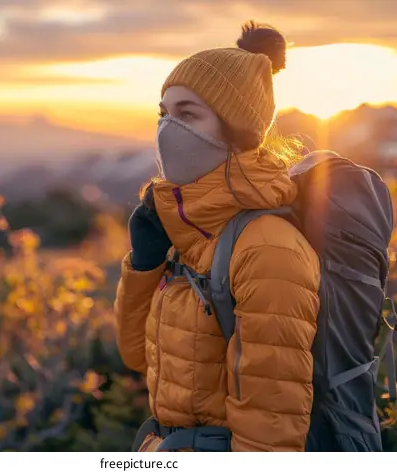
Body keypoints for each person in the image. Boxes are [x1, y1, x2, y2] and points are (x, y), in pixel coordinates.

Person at [113, 21, 321, 452]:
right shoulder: (187, 232)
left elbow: (271, 434)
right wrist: (145, 264)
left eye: (187, 115)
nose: (168, 129)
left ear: (237, 129)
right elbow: (139, 356)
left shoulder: (267, 248)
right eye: (164, 114)